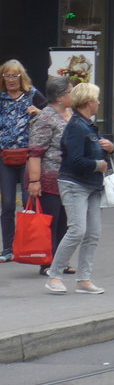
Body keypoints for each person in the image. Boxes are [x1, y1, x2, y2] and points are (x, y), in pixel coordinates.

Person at [45, 83, 113, 296]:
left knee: (93, 233)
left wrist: (109, 148)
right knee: (77, 230)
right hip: (74, 183)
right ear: (89, 101)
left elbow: (94, 151)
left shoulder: (87, 124)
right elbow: (74, 160)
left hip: (92, 185)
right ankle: (54, 275)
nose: (99, 103)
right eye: (97, 99)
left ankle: (84, 279)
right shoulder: (76, 126)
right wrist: (98, 165)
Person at [26, 76, 74, 275]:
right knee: (50, 222)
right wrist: (35, 181)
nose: (74, 95)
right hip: (49, 178)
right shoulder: (45, 117)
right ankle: (47, 262)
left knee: (65, 221)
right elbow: (35, 151)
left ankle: (60, 261)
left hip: (68, 178)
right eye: (71, 92)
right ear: (60, 97)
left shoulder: (70, 114)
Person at [0, 59, 42, 262]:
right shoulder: (0, 98)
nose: (11, 80)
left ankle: (27, 245)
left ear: (21, 77)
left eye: (14, 75)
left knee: (28, 201)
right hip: (5, 156)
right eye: (7, 75)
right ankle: (7, 249)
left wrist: (38, 112)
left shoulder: (32, 95)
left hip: (27, 157)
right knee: (7, 203)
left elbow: (51, 116)